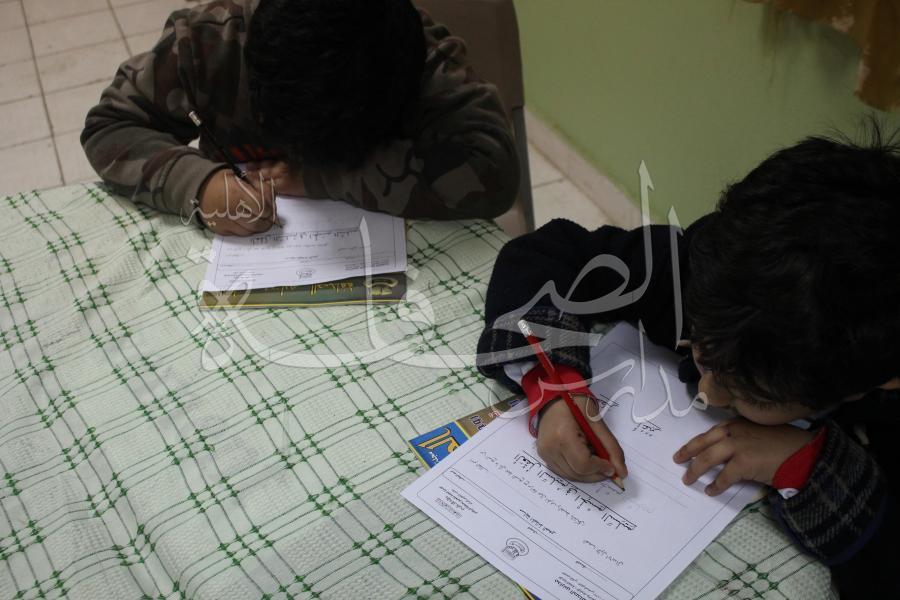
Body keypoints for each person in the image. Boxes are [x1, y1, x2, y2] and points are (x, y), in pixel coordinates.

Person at [476, 130, 900, 597]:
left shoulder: (866, 353)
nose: (706, 391)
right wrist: (552, 381)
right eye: (701, 344)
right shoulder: (708, 276)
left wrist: (809, 465)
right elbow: (548, 254)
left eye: (749, 394)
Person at [81, 0, 519, 236]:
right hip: (241, 256)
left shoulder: (420, 60)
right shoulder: (211, 44)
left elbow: (494, 171)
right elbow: (110, 125)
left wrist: (318, 178)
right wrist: (200, 186)